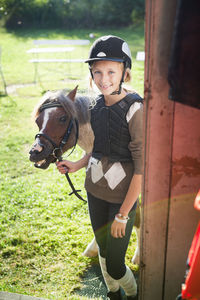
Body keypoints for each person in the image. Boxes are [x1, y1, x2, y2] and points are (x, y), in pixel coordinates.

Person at [56, 35, 143, 300]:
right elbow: (97, 149)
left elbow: (141, 167)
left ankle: (132, 293)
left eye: (111, 71)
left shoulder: (135, 108)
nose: (103, 79)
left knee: (116, 263)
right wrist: (76, 164)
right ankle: (113, 293)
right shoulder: (94, 105)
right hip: (95, 192)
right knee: (104, 253)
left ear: (124, 72)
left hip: (120, 201)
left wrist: (123, 214)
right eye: (97, 72)